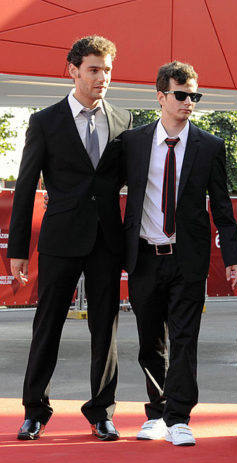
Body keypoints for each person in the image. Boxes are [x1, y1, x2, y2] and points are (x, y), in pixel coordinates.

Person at [8, 35, 132, 442]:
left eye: (107, 70)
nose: (103, 77)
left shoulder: (123, 119)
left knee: (106, 329)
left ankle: (102, 412)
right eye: (94, 69)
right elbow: (25, 188)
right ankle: (34, 411)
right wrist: (18, 249)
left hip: (106, 241)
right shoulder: (45, 121)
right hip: (60, 238)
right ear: (73, 70)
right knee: (47, 327)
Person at [120, 61, 237, 446]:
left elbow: (222, 206)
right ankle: (155, 413)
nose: (190, 101)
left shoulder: (210, 146)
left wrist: (234, 256)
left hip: (187, 258)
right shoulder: (134, 142)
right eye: (181, 94)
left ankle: (179, 417)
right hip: (144, 255)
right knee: (149, 340)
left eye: (195, 95)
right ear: (161, 97)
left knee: (186, 338)